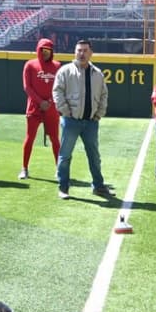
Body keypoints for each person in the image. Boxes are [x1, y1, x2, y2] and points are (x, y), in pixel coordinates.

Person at [52, 39, 111, 200]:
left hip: (91, 122)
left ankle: (98, 186)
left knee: (94, 156)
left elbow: (104, 95)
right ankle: (63, 187)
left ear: (91, 53)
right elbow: (57, 91)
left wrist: (99, 114)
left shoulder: (97, 73)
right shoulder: (65, 71)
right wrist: (65, 111)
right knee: (65, 155)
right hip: (71, 121)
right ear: (74, 52)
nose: (81, 53)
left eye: (85, 50)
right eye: (79, 50)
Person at [20, 38, 61, 180]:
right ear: (38, 50)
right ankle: (24, 168)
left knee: (55, 139)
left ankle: (59, 169)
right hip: (34, 107)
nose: (45, 53)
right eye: (43, 50)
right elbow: (27, 87)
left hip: (51, 107)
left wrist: (49, 101)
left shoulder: (57, 66)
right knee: (30, 138)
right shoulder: (30, 65)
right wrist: (40, 101)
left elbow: (59, 87)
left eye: (48, 50)